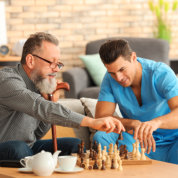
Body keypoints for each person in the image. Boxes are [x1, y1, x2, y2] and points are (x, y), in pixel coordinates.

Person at [0, 32, 125, 161]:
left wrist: (51, 101)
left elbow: (37, 135)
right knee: (19, 148)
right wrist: (92, 122)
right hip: (8, 149)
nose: (56, 69)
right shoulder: (6, 80)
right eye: (51, 62)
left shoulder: (39, 84)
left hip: (27, 150)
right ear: (30, 61)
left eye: (58, 64)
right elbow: (40, 107)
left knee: (75, 145)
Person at [93, 39, 178, 164]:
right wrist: (133, 123)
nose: (118, 78)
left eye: (122, 69)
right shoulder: (109, 79)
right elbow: (101, 116)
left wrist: (155, 123)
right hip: (137, 141)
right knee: (101, 137)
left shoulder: (161, 73)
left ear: (133, 57)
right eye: (112, 73)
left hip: (173, 141)